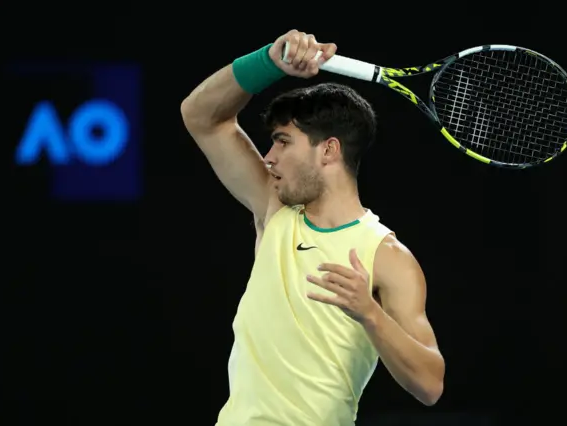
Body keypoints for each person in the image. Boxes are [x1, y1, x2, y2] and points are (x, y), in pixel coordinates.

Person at [181, 29, 445, 426]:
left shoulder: (387, 258)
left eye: (283, 142)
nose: (268, 157)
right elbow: (201, 115)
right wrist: (269, 62)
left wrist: (369, 313)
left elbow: (430, 385)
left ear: (329, 150)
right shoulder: (275, 210)